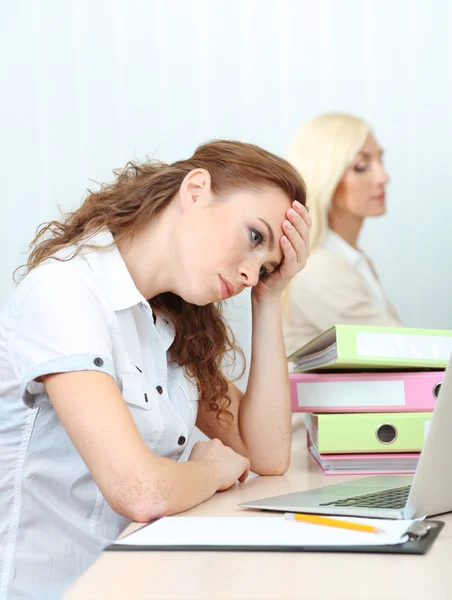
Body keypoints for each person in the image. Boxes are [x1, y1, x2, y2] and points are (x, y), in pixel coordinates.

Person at [0, 140, 311, 599]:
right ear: (196, 190)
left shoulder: (171, 320)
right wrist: (212, 471)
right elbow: (138, 491)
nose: (250, 275)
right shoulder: (66, 294)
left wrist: (270, 297)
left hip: (142, 581)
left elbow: (266, 455)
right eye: (254, 237)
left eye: (264, 269)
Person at [282, 113, 403, 358]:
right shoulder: (319, 268)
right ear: (327, 176)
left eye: (380, 161)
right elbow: (404, 350)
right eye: (361, 166)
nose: (383, 178)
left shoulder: (352, 260)